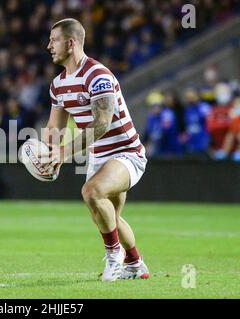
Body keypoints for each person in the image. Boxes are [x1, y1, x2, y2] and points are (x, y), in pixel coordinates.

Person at [41, 18, 149, 282]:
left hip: (126, 152)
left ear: (71, 42)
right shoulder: (58, 85)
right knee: (111, 215)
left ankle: (114, 258)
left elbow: (102, 122)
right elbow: (55, 127)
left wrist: (64, 154)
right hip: (98, 155)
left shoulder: (97, 74)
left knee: (91, 191)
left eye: (53, 40)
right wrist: (47, 153)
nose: (48, 46)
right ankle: (136, 264)